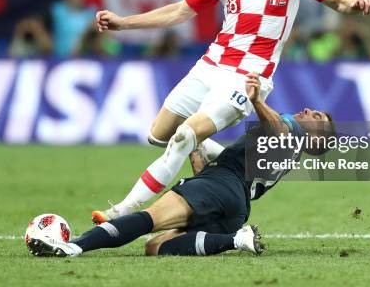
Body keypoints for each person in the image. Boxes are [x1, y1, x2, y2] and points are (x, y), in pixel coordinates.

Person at [93, 0, 370, 224]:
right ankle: (205, 147)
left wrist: (355, 3)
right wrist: (123, 23)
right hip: (210, 65)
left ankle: (118, 212)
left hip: (246, 78)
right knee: (159, 135)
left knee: (185, 134)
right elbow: (180, 11)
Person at [26, 73, 335, 257]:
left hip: (221, 186)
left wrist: (256, 101)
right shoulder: (287, 155)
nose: (309, 110)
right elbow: (210, 168)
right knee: (155, 247)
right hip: (235, 206)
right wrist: (192, 140)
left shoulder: (292, 132)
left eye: (317, 117)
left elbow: (278, 129)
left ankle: (76, 246)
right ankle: (233, 239)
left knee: (148, 219)